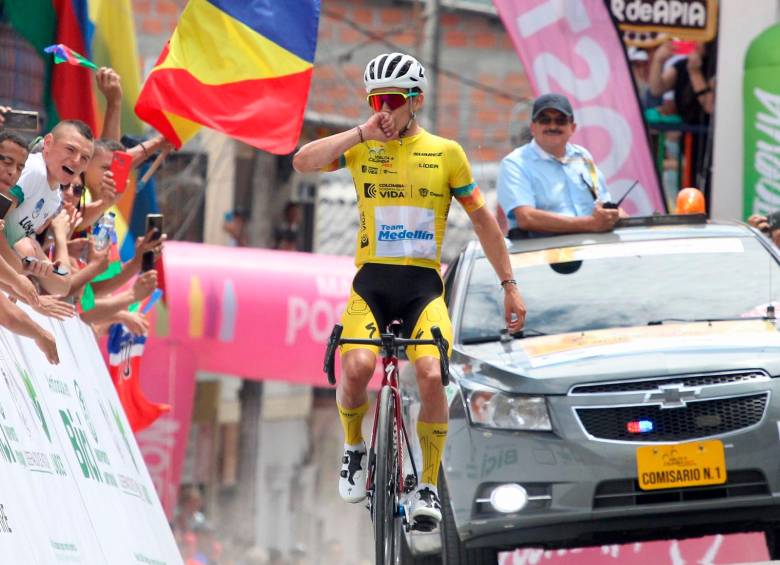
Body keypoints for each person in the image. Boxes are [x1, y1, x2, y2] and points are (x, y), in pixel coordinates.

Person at [293, 52, 526, 525]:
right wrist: (361, 132)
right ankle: (355, 448)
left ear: (415, 101)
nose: (383, 109)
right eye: (376, 99)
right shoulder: (360, 146)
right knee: (355, 367)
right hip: (371, 284)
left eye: (392, 100)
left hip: (423, 288)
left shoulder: (447, 154)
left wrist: (509, 284)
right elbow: (302, 162)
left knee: (431, 374)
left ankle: (426, 488)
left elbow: (483, 222)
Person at [497, 93, 621, 237]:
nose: (553, 126)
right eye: (545, 120)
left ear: (572, 128)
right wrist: (590, 224)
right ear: (533, 128)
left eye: (561, 121)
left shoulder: (583, 157)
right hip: (542, 255)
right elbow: (526, 218)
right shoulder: (515, 164)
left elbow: (604, 204)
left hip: (591, 252)